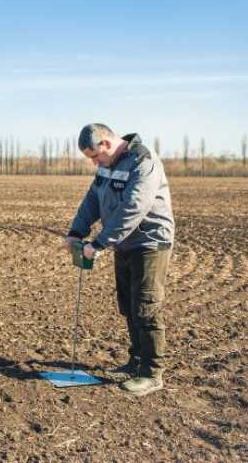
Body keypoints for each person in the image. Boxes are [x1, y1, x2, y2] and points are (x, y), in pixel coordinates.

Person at [64, 123, 175, 397]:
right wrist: (77, 231)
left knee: (146, 307)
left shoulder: (143, 161)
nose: (94, 163)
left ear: (106, 143)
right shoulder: (107, 165)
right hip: (124, 243)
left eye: (95, 156)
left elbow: (133, 207)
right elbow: (93, 198)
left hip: (149, 242)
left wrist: (99, 243)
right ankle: (135, 362)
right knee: (128, 305)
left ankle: (151, 373)